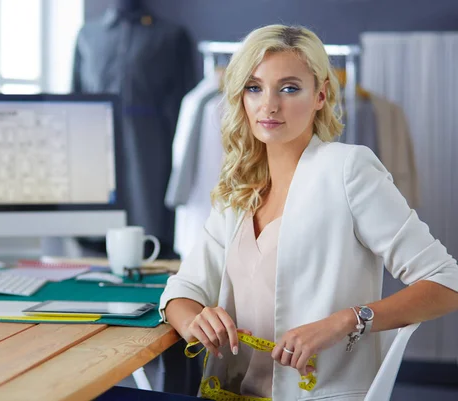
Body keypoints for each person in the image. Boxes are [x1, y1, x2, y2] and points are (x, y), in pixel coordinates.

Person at [159, 24, 458, 400]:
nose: (268, 104)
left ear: (320, 95)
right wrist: (194, 319)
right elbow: (182, 290)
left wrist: (347, 321)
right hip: (227, 392)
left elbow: (447, 283)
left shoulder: (348, 170)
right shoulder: (238, 190)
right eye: (254, 88)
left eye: (288, 88)